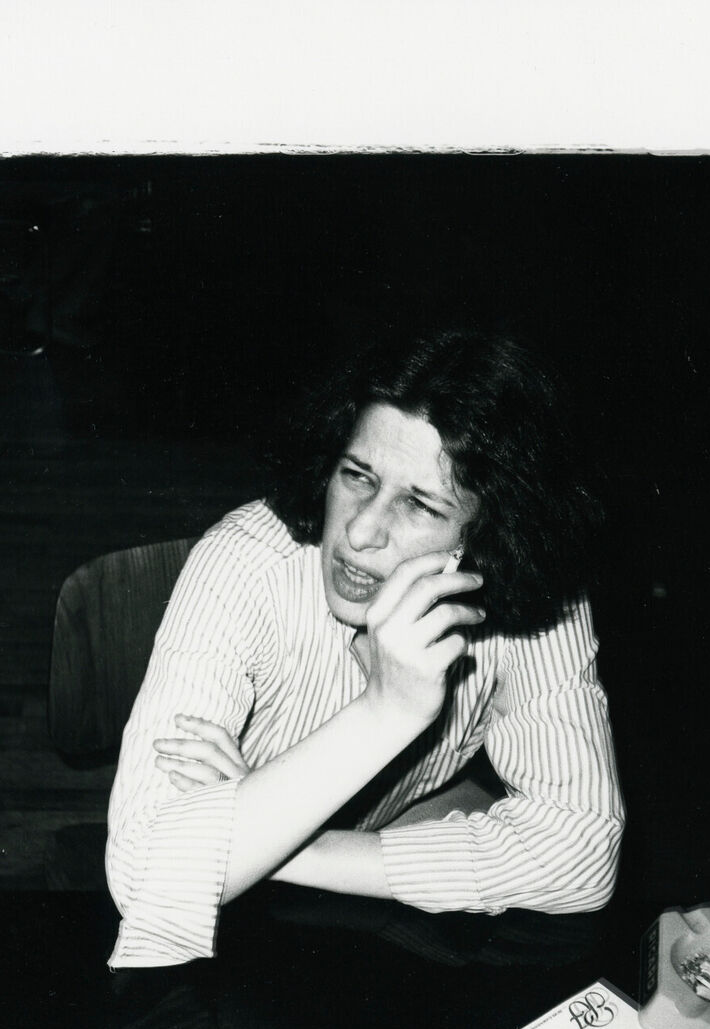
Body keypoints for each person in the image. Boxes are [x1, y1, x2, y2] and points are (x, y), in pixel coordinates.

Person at [105, 328, 624, 968]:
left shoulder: (537, 595)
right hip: (231, 933)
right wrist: (388, 711)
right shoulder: (243, 564)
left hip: (348, 895)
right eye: (357, 475)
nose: (359, 529)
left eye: (419, 505)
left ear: (492, 538)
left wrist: (293, 845)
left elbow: (581, 857)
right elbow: (148, 881)